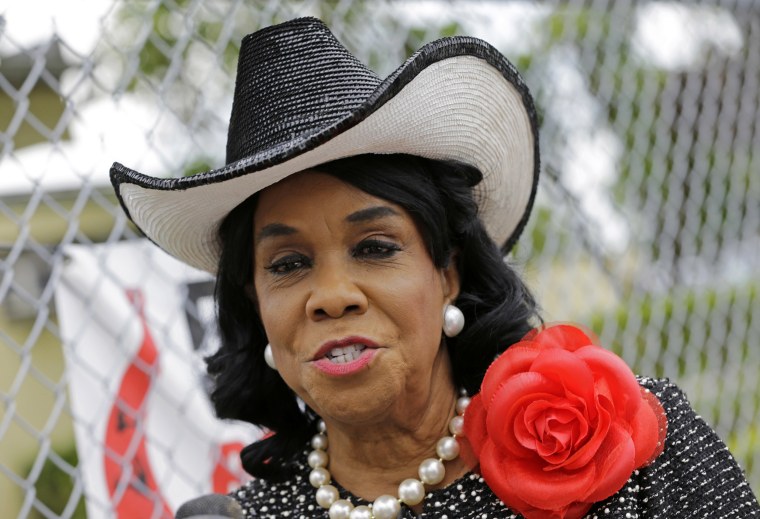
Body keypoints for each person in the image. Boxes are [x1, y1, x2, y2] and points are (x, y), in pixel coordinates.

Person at [110, 17, 759, 519]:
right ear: (255, 304)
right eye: (288, 263)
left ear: (448, 272)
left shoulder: (630, 446)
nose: (330, 296)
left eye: (375, 247)